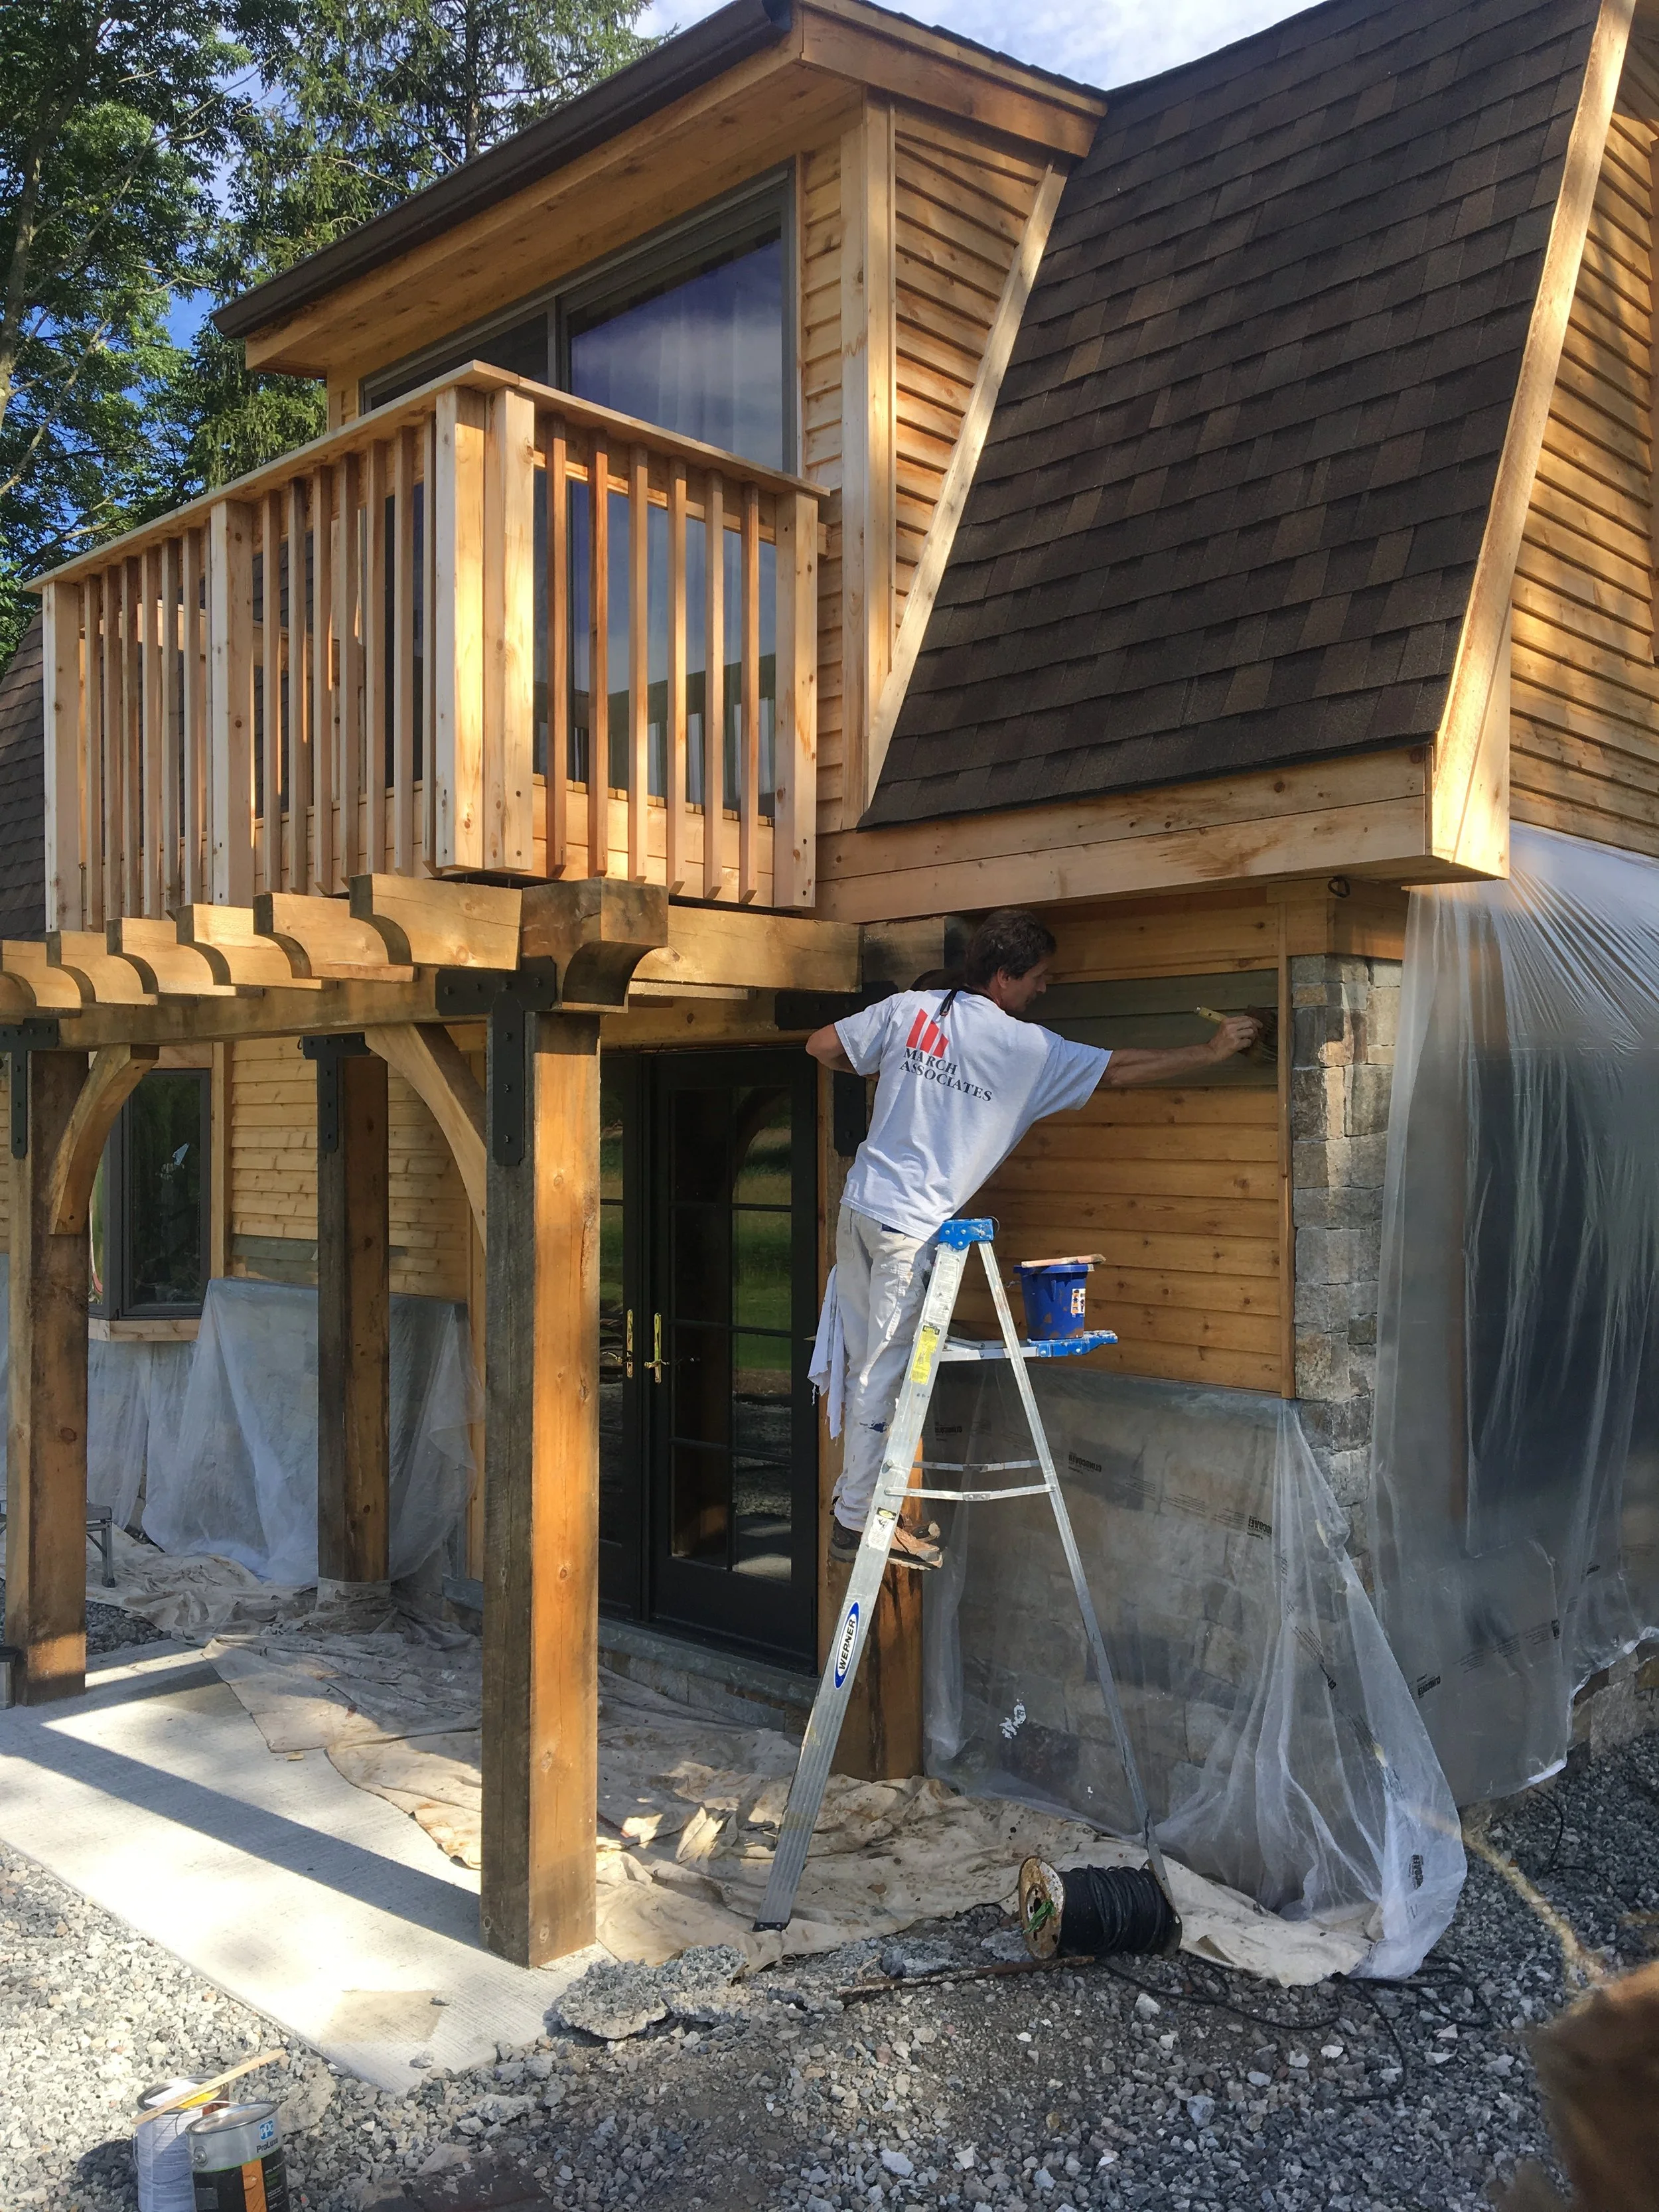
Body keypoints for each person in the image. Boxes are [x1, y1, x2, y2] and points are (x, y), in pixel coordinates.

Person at [807, 908, 1260, 1570]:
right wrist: (1210, 1051)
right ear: (1004, 976)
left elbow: (821, 1047)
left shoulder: (913, 1011)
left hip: (860, 1208)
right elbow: (1120, 1069)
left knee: (863, 1363)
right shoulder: (1026, 1050)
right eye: (1040, 979)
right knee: (885, 1373)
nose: (1044, 991)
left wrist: (899, 1076)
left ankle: (856, 1508)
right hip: (911, 1227)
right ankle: (855, 1526)